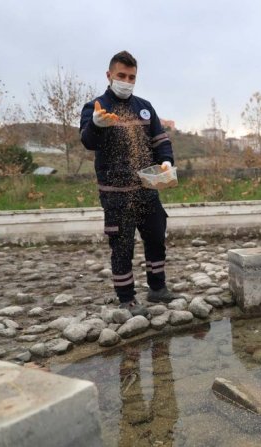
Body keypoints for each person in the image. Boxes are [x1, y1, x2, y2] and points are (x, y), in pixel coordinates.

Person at [80, 50, 174, 317]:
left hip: (146, 188)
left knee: (156, 237)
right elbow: (88, 141)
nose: (126, 81)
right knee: (122, 245)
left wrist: (166, 161)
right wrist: (96, 125)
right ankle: (127, 298)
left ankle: (158, 288)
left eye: (132, 77)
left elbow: (160, 140)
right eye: (121, 76)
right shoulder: (96, 107)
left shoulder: (144, 107)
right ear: (109, 75)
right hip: (116, 193)